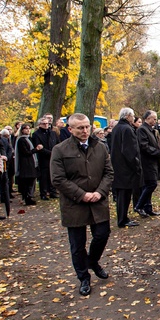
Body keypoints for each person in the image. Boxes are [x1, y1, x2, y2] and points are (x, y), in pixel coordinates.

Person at [51, 113, 114, 297]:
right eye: (80, 128)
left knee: (102, 234)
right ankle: (83, 277)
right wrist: (81, 194)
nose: (85, 130)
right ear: (70, 129)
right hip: (74, 203)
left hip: (98, 201)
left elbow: (109, 173)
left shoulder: (100, 147)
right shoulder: (60, 150)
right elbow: (58, 179)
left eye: (87, 126)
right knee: (77, 245)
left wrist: (99, 192)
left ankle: (92, 261)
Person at [110, 107, 142, 228]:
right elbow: (129, 151)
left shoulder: (117, 128)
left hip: (118, 166)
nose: (134, 118)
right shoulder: (127, 129)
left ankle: (122, 217)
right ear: (127, 116)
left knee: (121, 195)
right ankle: (122, 219)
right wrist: (136, 165)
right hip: (126, 169)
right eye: (133, 116)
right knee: (125, 195)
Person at [134, 110, 160, 217]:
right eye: (154, 118)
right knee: (151, 184)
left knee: (149, 184)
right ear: (148, 118)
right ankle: (139, 206)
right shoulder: (142, 130)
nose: (155, 121)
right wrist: (158, 152)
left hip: (152, 161)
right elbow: (144, 146)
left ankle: (147, 208)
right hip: (146, 162)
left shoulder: (150, 130)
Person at [31, 116, 59, 199]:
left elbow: (58, 143)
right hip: (43, 158)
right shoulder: (36, 134)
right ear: (40, 124)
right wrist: (50, 153)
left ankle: (52, 191)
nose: (46, 125)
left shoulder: (53, 133)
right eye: (44, 124)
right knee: (43, 177)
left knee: (52, 175)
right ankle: (43, 193)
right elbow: (39, 147)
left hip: (53, 157)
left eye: (47, 123)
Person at [15, 124, 41, 205]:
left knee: (31, 181)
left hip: (32, 162)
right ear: (22, 130)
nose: (28, 130)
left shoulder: (29, 139)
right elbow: (26, 152)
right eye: (26, 129)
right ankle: (27, 197)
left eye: (29, 128)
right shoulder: (21, 140)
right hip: (26, 163)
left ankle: (29, 196)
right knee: (27, 182)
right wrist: (36, 149)